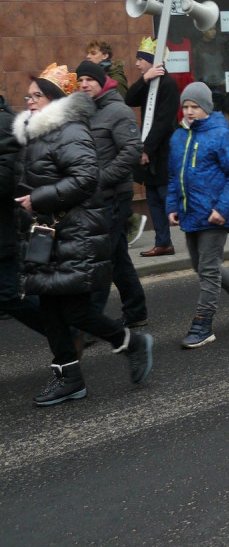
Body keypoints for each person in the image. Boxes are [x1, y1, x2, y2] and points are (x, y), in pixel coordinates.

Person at [14, 64, 153, 406]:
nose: (29, 102)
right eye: (28, 96)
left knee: (76, 313)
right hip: (47, 235)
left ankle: (133, 343)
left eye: (37, 96)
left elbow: (86, 178)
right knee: (49, 309)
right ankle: (69, 378)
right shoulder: (39, 134)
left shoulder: (71, 131)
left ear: (55, 99)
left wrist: (38, 199)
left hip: (75, 232)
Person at [167, 82, 229, 347]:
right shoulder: (179, 137)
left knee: (207, 270)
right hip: (190, 213)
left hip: (214, 215)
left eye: (195, 106)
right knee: (202, 266)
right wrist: (172, 206)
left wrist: (223, 209)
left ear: (206, 107)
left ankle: (203, 325)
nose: (189, 111)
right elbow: (175, 176)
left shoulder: (220, 135)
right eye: (185, 106)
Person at [75, 61, 148, 329]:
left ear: (102, 80)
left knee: (101, 257)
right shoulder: (86, 110)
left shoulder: (117, 110)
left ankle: (90, 322)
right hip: (96, 197)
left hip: (114, 196)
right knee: (116, 256)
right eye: (80, 80)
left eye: (89, 79)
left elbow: (131, 151)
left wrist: (101, 179)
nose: (84, 85)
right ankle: (136, 310)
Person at [125, 37, 180, 257]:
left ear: (152, 60)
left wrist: (146, 149)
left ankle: (194, 233)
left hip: (162, 151)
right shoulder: (150, 82)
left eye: (141, 59)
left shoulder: (168, 84)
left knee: (166, 197)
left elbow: (163, 121)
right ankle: (163, 242)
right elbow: (130, 98)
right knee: (153, 199)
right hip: (150, 152)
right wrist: (145, 79)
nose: (137, 64)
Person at [0, 91, 45, 335]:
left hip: (5, 229)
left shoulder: (6, 124)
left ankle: (66, 332)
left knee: (9, 295)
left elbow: (7, 181)